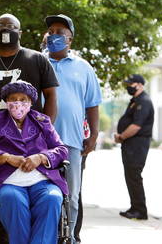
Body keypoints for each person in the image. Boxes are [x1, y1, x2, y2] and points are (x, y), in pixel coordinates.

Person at [0, 81, 68, 244]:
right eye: (13, 99)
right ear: (6, 102)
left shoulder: (42, 121)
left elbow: (61, 149)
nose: (18, 103)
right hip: (9, 182)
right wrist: (6, 157)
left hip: (42, 180)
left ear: (31, 102)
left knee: (52, 198)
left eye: (23, 99)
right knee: (13, 200)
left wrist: (41, 157)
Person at [44, 14, 102, 243]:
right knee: (43, 193)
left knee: (72, 195)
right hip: (40, 142)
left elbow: (92, 103)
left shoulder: (84, 68)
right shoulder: (38, 62)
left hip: (72, 141)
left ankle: (68, 236)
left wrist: (94, 134)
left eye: (60, 32)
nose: (54, 35)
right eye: (51, 31)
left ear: (70, 40)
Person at [0, 13, 59, 136]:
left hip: (31, 136)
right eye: (0, 26)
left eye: (11, 26)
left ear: (19, 33)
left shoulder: (38, 60)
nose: (5, 29)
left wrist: (46, 129)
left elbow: (51, 96)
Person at [114, 74, 154, 220]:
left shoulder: (144, 101)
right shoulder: (136, 101)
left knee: (134, 175)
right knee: (130, 176)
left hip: (137, 144)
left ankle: (140, 210)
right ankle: (135, 207)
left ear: (140, 85)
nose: (128, 87)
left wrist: (121, 136)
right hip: (131, 144)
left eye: (131, 84)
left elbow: (136, 126)